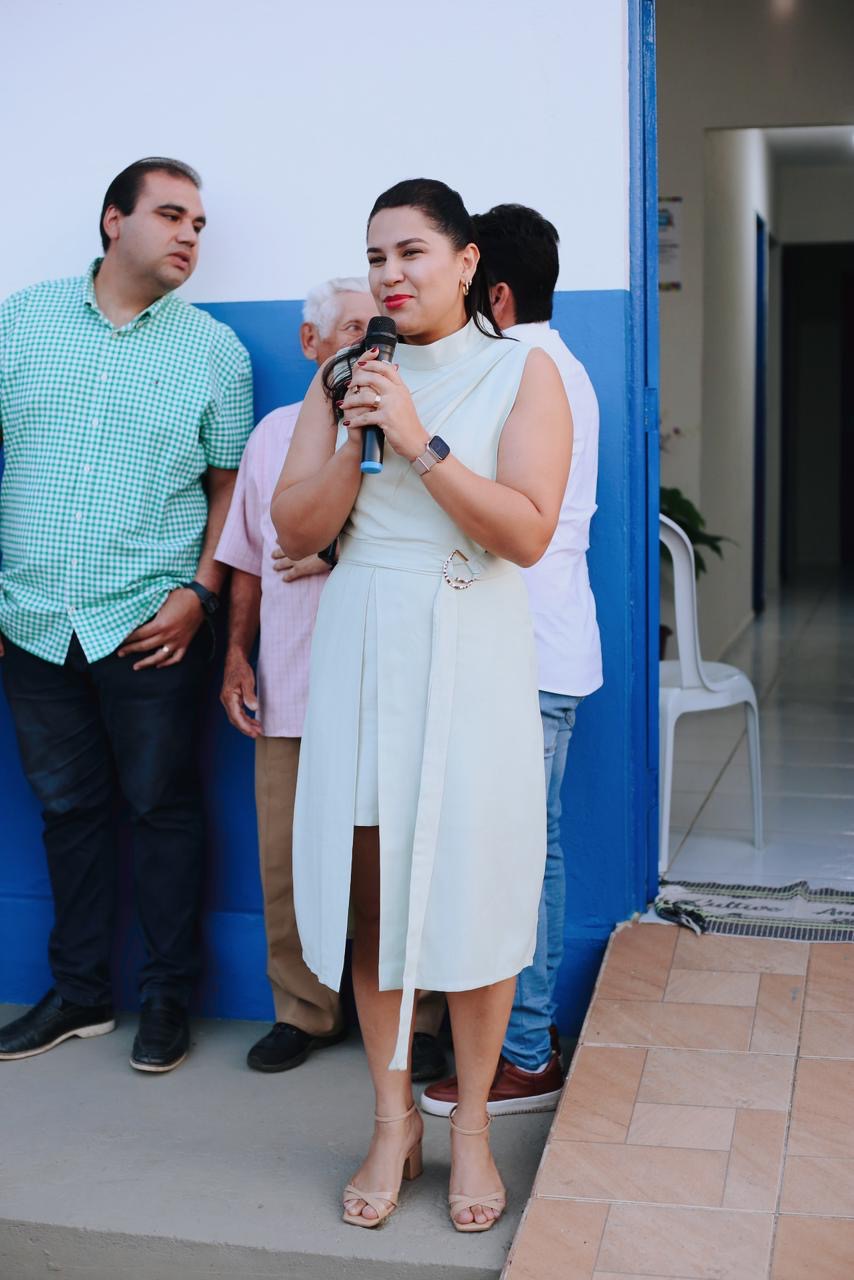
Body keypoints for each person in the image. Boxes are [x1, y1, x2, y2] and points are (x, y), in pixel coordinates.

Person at [272, 179, 572, 1232]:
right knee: (375, 899)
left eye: (411, 252)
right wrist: (354, 436)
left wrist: (415, 440)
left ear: (465, 261)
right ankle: (391, 1119)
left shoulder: (522, 371)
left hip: (471, 640)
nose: (390, 274)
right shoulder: (344, 375)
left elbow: (525, 532)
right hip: (365, 642)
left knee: (476, 894)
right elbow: (294, 530)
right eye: (375, 256)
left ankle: (472, 1128)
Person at [0, 157, 253, 1074]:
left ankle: (167, 998)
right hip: (31, 621)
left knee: (162, 811)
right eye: (172, 215)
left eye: (200, 225)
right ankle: (78, 996)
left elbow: (230, 491)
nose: (190, 236)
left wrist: (200, 596)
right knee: (66, 813)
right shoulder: (21, 321)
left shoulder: (215, 351)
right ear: (115, 220)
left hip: (151, 625)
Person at [216, 277, 448, 1080]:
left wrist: (330, 551)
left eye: (375, 331)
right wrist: (236, 654)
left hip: (387, 682)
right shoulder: (273, 435)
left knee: (401, 863)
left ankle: (419, 1019)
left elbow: (433, 539)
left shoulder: (411, 425)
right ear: (311, 345)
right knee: (287, 862)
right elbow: (250, 558)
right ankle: (302, 1011)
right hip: (290, 681)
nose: (365, 345)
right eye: (349, 330)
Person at [422, 204, 603, 1117]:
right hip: (542, 647)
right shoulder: (558, 367)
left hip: (522, 651)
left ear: (490, 291)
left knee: (515, 860)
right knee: (531, 852)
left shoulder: (524, 371)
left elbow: (496, 518)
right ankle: (523, 1043)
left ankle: (523, 1053)